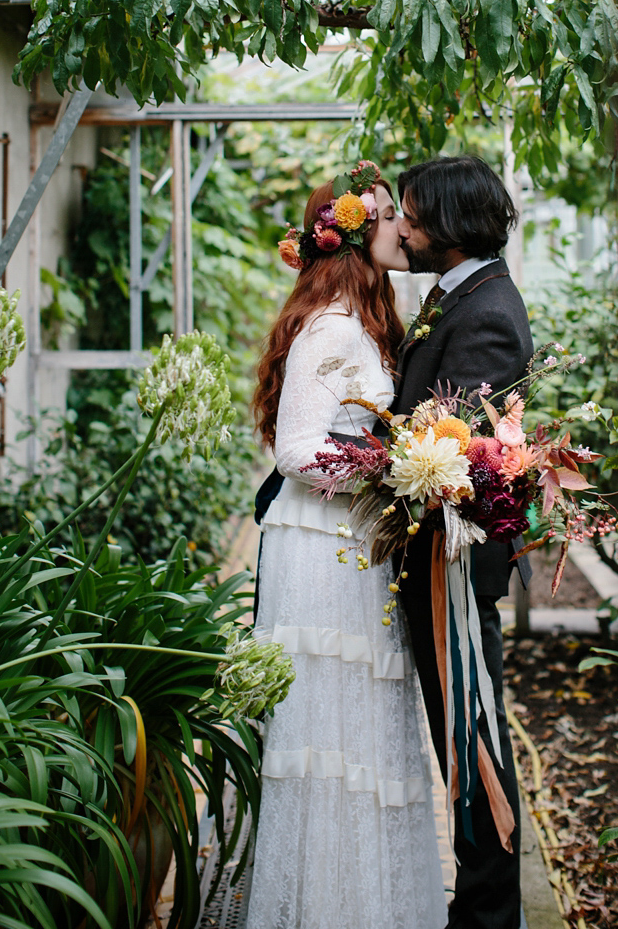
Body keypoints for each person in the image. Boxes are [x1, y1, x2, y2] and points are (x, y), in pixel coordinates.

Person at [246, 161, 446, 929]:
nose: (405, 226)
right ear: (358, 235)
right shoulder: (330, 329)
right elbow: (297, 450)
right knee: (332, 735)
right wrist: (393, 470)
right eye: (392, 214)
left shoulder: (363, 320)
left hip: (351, 542)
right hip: (325, 549)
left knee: (363, 731)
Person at [394, 155, 534, 929]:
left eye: (413, 217)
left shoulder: (483, 309)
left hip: (453, 569)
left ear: (450, 226)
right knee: (467, 743)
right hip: (435, 562)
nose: (403, 230)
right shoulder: (461, 293)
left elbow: (455, 455)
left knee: (474, 749)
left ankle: (486, 917)